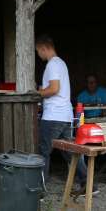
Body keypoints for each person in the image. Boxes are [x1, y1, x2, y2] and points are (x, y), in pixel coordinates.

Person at [35, 34, 90, 195]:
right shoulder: (61, 63)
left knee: (43, 151)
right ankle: (88, 183)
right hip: (65, 115)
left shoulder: (52, 64)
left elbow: (54, 89)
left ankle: (39, 191)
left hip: (53, 115)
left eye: (38, 51)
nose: (38, 55)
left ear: (43, 48)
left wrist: (37, 92)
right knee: (69, 151)